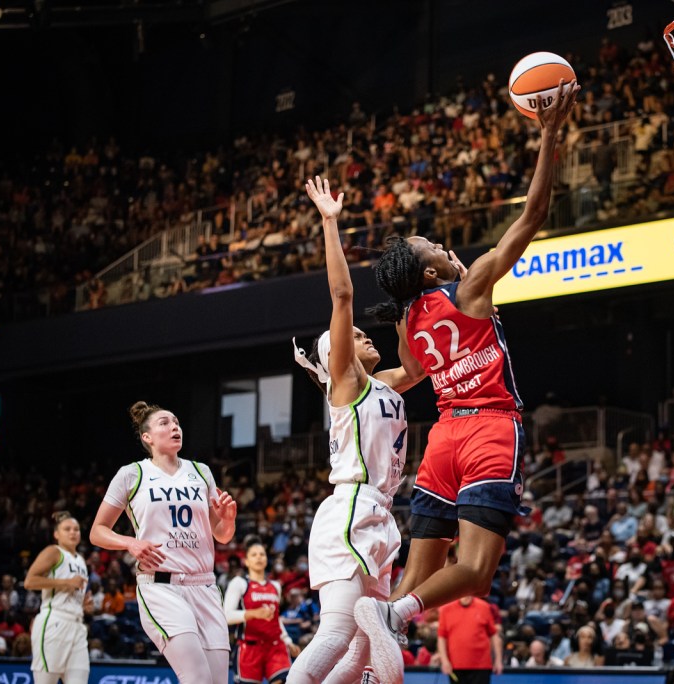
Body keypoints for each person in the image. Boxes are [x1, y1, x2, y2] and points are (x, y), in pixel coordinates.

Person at [353, 79, 580, 684]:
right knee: (474, 574)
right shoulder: (472, 285)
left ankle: (366, 664)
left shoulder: (408, 320)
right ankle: (394, 615)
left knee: (416, 581)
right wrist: (551, 132)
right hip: (487, 433)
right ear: (433, 267)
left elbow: (412, 373)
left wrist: (353, 395)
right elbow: (532, 215)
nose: (445, 243)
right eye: (434, 243)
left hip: (441, 444)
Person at [288, 177, 419, 684]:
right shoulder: (346, 382)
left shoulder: (385, 384)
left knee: (366, 648)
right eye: (358, 336)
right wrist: (329, 222)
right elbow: (342, 295)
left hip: (382, 513)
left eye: (366, 334)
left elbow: (415, 366)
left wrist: (413, 301)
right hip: (349, 507)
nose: (366, 337)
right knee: (339, 633)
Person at [89, 401, 237, 684]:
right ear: (147, 437)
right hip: (162, 587)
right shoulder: (132, 474)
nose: (174, 427)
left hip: (204, 585)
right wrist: (131, 543)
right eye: (165, 423)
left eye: (177, 422)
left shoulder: (201, 471)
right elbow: (97, 531)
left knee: (218, 682)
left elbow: (221, 535)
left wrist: (227, 520)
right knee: (198, 679)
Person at [24, 511, 91, 684]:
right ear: (56, 534)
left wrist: (83, 604)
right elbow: (30, 581)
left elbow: (72, 590)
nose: (73, 532)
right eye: (67, 529)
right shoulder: (53, 552)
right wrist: (66, 583)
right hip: (54, 622)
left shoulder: (81, 560)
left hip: (77, 625)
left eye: (76, 529)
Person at [223, 540, 299, 684]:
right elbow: (226, 616)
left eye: (262, 554)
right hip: (249, 648)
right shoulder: (239, 583)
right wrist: (253, 613)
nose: (259, 557)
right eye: (254, 555)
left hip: (275, 647)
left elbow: (275, 619)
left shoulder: (275, 586)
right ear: (246, 561)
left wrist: (288, 641)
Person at [436, 595, 503, 684]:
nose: (466, 595)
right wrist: (444, 661)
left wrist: (498, 660)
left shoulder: (484, 607)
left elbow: (494, 635)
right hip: (456, 666)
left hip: (481, 666)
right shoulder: (445, 609)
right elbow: (441, 637)